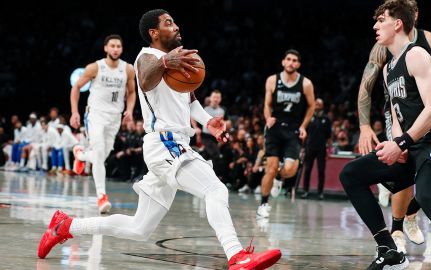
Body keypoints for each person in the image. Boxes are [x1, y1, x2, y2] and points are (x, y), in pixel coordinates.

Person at [38, 9, 281, 270]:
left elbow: (190, 99)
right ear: (154, 33)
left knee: (139, 228)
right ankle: (237, 256)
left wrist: (208, 121)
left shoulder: (174, 61)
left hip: (172, 145)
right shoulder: (147, 57)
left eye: (175, 21)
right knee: (215, 189)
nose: (176, 26)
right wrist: (167, 62)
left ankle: (66, 225)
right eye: (168, 23)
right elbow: (144, 78)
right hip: (165, 142)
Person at [341, 1, 431, 269]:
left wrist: (403, 142)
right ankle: (388, 249)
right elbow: (395, 112)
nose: (375, 25)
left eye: (381, 20)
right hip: (411, 145)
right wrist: (398, 144)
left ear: (398, 24)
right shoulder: (387, 68)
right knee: (351, 174)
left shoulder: (417, 55)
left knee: (427, 196)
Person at [69, 34, 136, 213]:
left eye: (118, 46)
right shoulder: (95, 67)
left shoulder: (128, 69)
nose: (115, 49)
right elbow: (76, 87)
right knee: (99, 154)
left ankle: (80, 154)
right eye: (112, 46)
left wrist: (129, 110)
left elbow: (131, 92)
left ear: (121, 49)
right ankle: (101, 197)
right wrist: (75, 112)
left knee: (102, 156)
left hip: (114, 118)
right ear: (106, 48)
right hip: (95, 116)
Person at [257, 49, 315, 218]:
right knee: (271, 167)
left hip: (293, 129)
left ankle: (279, 179)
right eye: (288, 59)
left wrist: (304, 126)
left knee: (290, 169)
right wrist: (267, 118)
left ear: (298, 64)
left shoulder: (306, 84)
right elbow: (267, 104)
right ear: (283, 62)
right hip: (275, 128)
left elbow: (311, 106)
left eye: (295, 60)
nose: (291, 62)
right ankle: (263, 203)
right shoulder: (272, 80)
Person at [301, 98, 331, 200]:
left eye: (319, 104)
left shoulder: (326, 119)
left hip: (321, 148)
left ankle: (320, 192)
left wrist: (329, 150)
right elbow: (304, 133)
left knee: (321, 171)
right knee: (307, 169)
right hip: (309, 147)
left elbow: (329, 136)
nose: (317, 105)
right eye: (316, 103)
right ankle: (305, 191)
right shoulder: (309, 117)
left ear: (322, 106)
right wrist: (302, 147)